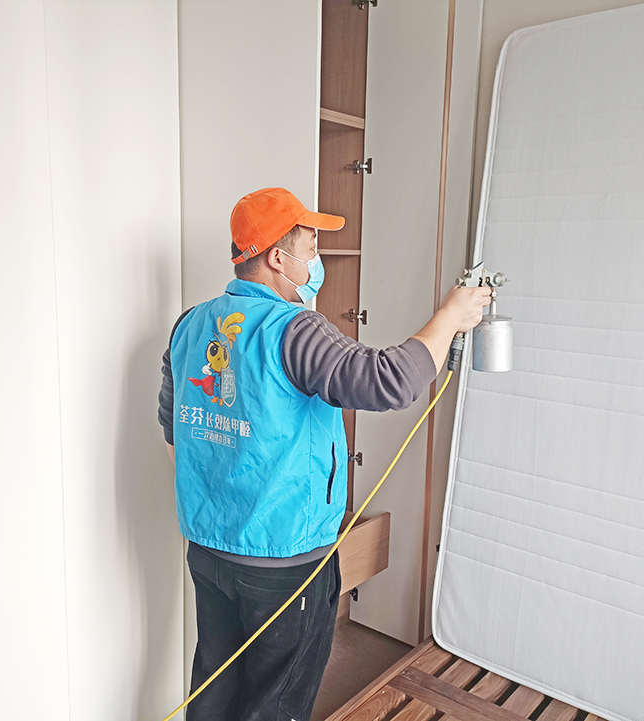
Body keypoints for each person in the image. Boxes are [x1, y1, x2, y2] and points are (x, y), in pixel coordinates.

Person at [158, 187, 490, 721]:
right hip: (285, 564)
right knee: (276, 704)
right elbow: (387, 381)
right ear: (277, 258)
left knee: (215, 688)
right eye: (311, 248)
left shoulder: (190, 324)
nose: (317, 262)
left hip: (209, 551)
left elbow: (174, 427)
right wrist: (450, 316)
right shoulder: (294, 329)